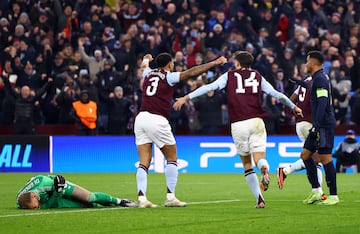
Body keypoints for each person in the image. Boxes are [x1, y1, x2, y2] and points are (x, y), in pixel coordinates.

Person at [173, 51, 303, 208]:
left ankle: (260, 199)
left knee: (247, 164)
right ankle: (264, 168)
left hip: (239, 123)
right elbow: (277, 94)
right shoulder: (258, 76)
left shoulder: (230, 75)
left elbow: (209, 87)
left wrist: (186, 97)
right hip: (257, 121)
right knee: (259, 158)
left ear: (238, 63)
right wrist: (293, 106)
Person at [134, 52, 227, 208]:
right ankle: (170, 197)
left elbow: (144, 66)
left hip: (141, 118)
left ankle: (142, 199)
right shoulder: (169, 76)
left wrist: (145, 58)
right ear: (170, 64)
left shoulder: (148, 74)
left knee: (144, 162)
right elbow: (191, 72)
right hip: (157, 119)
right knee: (172, 157)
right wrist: (213, 63)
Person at [300, 51, 339, 205]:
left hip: (323, 125)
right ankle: (316, 191)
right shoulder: (318, 78)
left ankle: (334, 196)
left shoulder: (321, 79)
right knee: (305, 155)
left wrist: (316, 126)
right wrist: (299, 83)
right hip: (318, 125)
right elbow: (313, 87)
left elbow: (322, 102)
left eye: (307, 61)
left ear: (313, 63)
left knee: (325, 159)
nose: (306, 63)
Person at [277, 77, 324, 195]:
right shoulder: (319, 80)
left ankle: (286, 171)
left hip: (300, 124)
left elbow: (291, 99)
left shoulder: (303, 84)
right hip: (310, 123)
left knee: (310, 157)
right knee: (317, 159)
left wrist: (296, 111)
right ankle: (319, 192)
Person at [17, 174, 137, 209]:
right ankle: (101, 204)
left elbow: (51, 202)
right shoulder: (20, 201)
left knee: (89, 198)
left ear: (34, 195)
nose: (37, 209)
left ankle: (120, 201)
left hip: (57, 185)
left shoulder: (45, 184)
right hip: (48, 193)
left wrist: (58, 190)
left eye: (36, 207)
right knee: (85, 205)